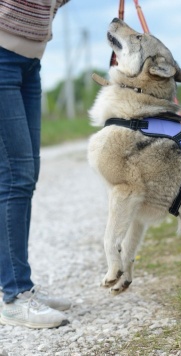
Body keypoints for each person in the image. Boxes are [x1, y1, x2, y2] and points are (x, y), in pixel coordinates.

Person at [0, 0, 72, 329]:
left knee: (26, 176)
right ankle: (15, 296)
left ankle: (21, 285)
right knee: (16, 177)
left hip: (30, 62)